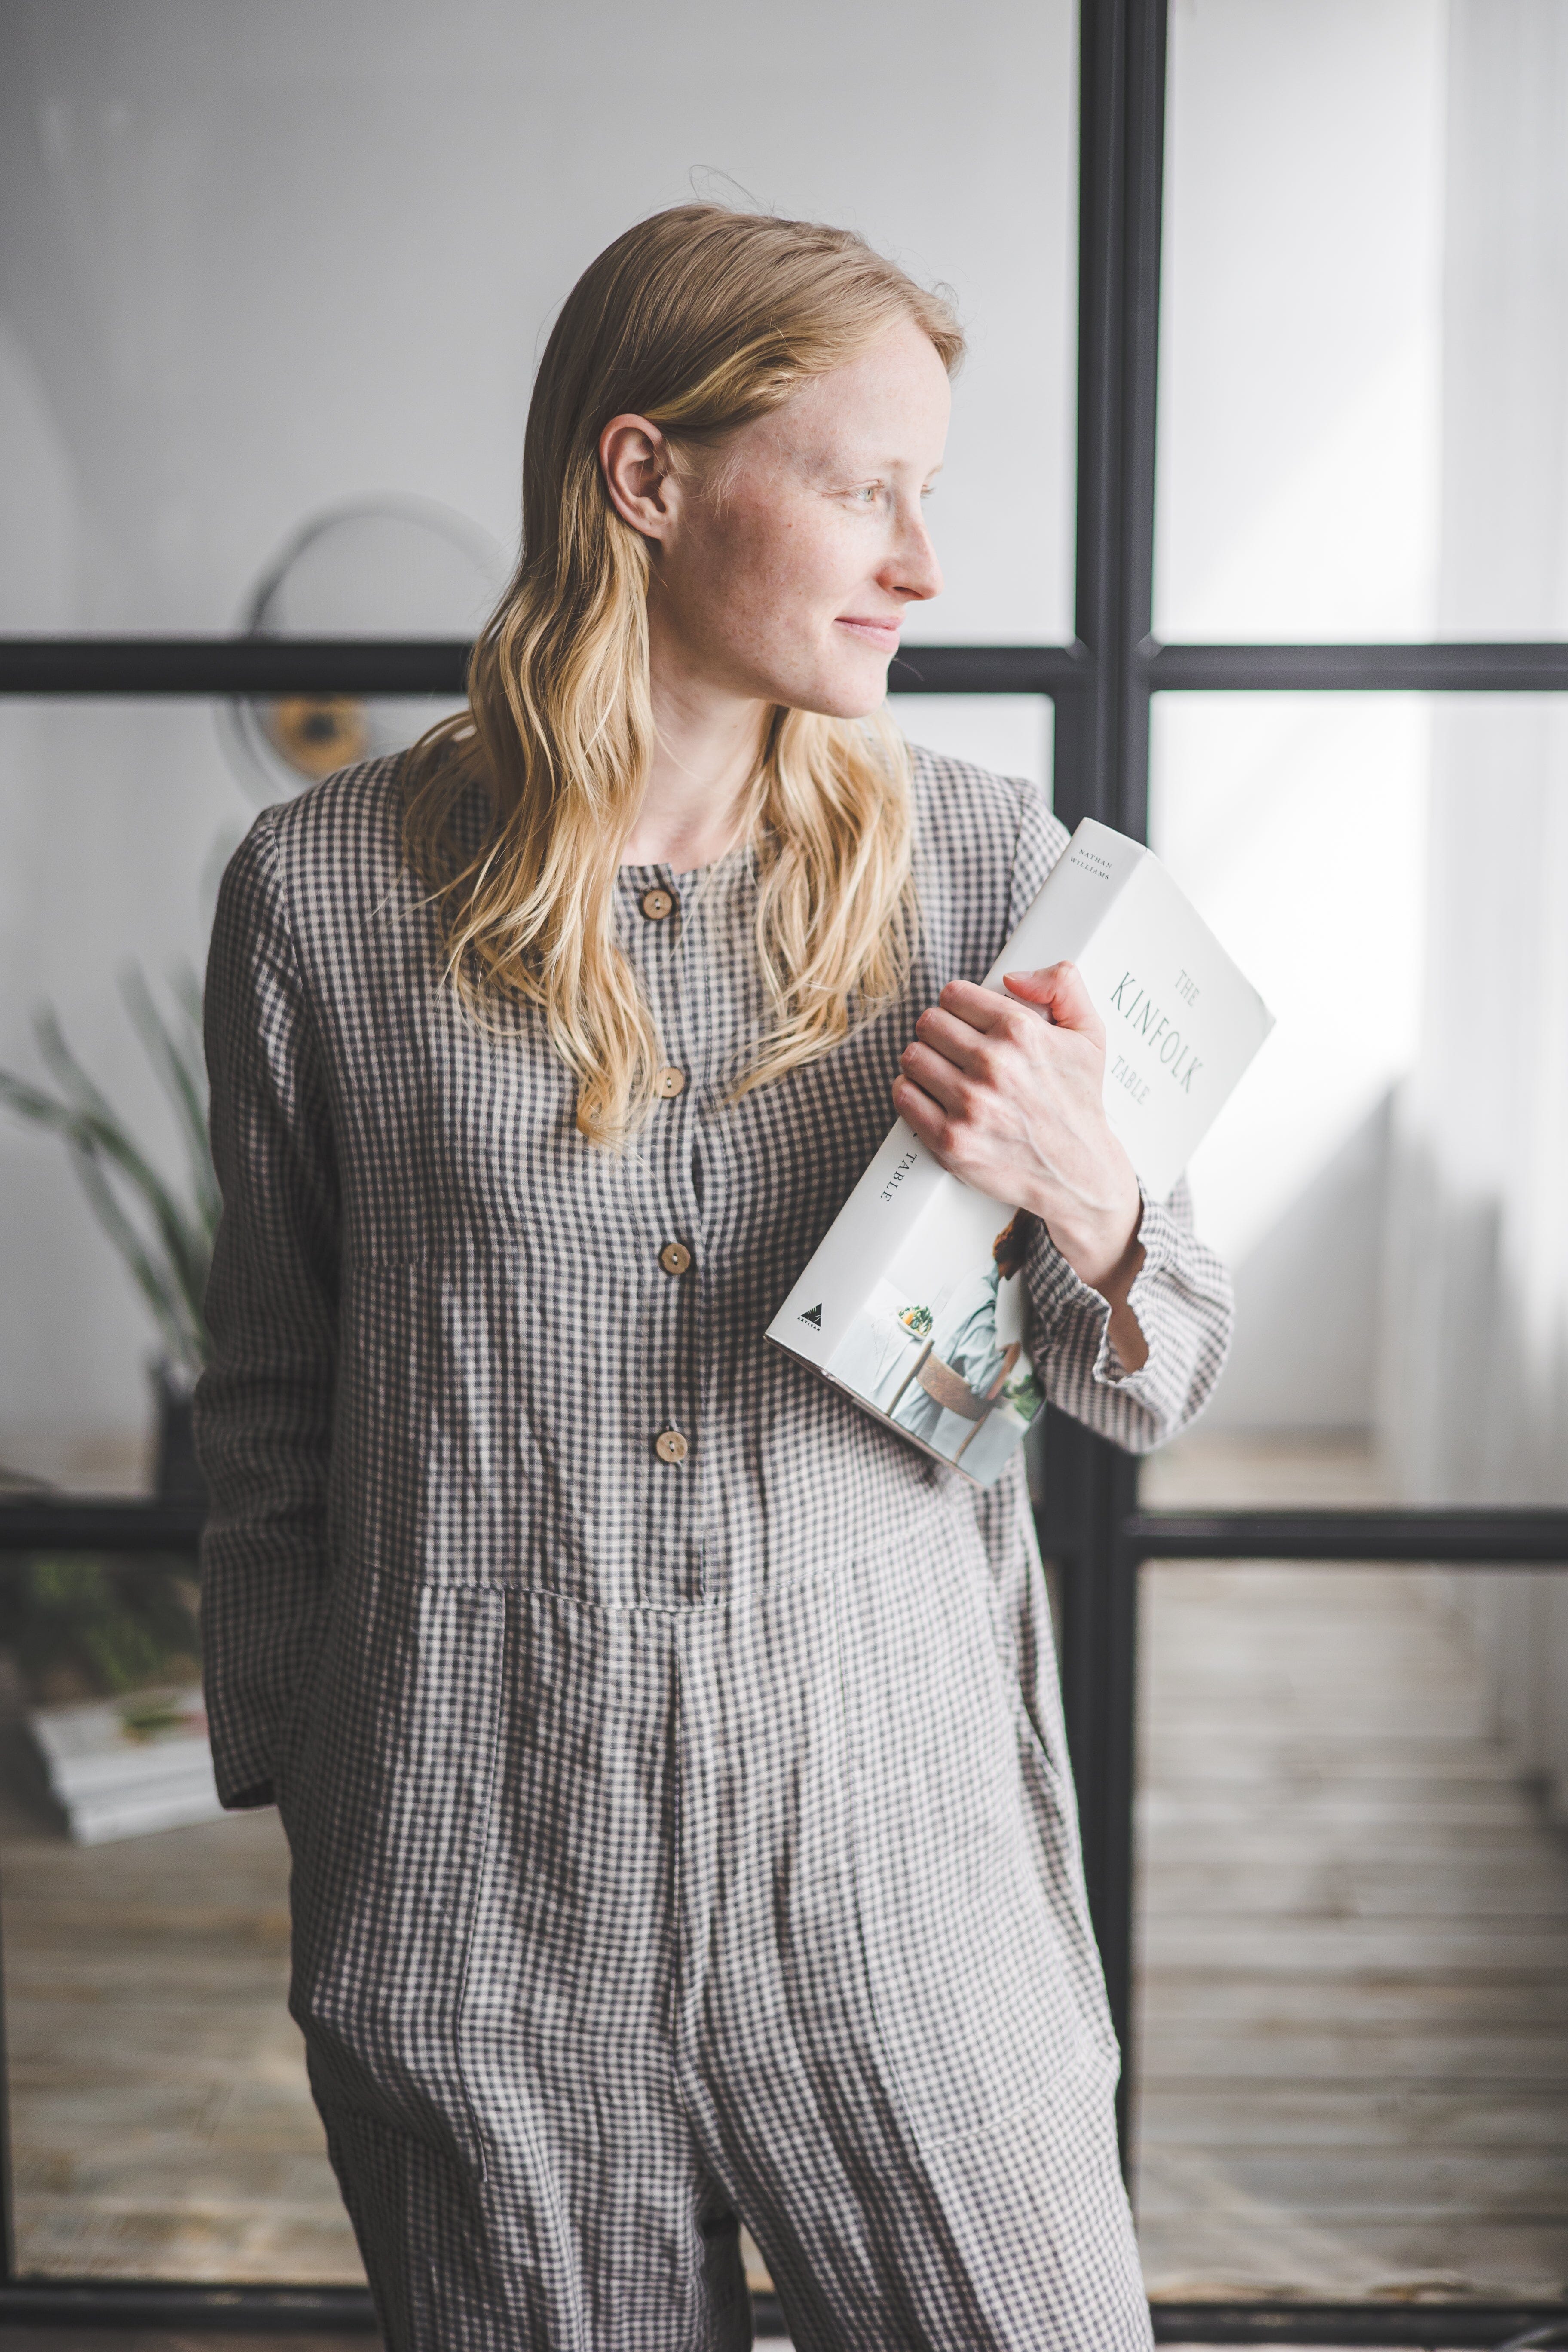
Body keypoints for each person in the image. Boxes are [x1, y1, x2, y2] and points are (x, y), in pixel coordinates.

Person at [196, 205, 1231, 2352]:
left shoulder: (987, 863)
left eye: (923, 493)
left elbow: (1152, 1367)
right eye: (868, 487)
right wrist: (347, 1801)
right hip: (478, 1901)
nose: (922, 562)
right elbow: (276, 1394)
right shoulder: (319, 894)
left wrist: (1092, 1198)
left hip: (894, 1877)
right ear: (644, 475)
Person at [889, 1214, 1031, 1456]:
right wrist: (1011, 1359)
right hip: (912, 1425)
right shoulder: (984, 1298)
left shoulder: (975, 1279)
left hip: (905, 1403)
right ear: (1022, 1259)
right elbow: (987, 1387)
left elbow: (962, 1342)